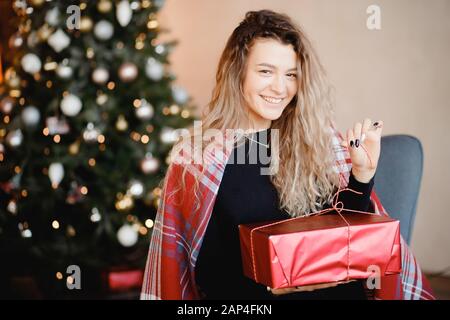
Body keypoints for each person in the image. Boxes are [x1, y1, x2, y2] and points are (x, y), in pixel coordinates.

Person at [141, 10, 435, 300]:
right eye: (266, 71)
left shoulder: (319, 138)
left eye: (291, 74)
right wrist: (271, 290)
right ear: (237, 71)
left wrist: (361, 178)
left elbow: (348, 238)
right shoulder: (199, 157)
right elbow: (205, 276)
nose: (280, 88)